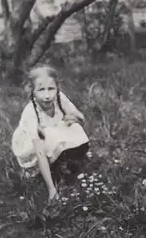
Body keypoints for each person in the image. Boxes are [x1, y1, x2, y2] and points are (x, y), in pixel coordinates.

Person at [12, 65, 89, 202]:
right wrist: (51, 189)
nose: (47, 96)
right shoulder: (31, 113)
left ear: (57, 88)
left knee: (76, 129)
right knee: (49, 134)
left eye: (51, 89)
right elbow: (40, 153)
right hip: (34, 148)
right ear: (32, 92)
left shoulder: (59, 98)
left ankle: (64, 163)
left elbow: (81, 118)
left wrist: (73, 118)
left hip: (52, 134)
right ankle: (49, 173)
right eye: (41, 90)